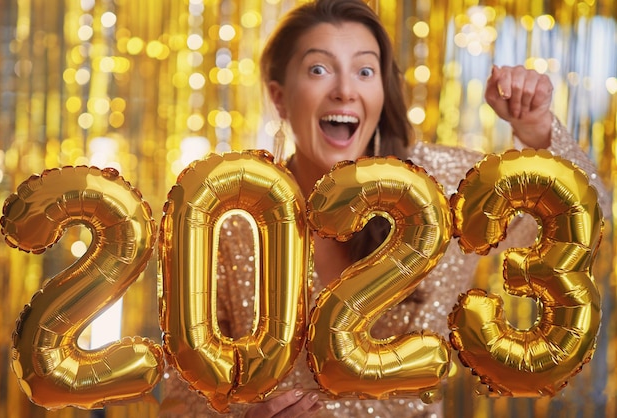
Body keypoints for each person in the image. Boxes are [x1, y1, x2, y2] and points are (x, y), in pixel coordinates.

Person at [159, 0, 612, 417]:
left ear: (380, 90)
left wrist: (535, 129)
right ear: (279, 97)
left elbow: (588, 218)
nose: (343, 90)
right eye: (319, 70)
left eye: (364, 71)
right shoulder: (231, 219)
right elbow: (182, 393)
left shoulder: (442, 187)